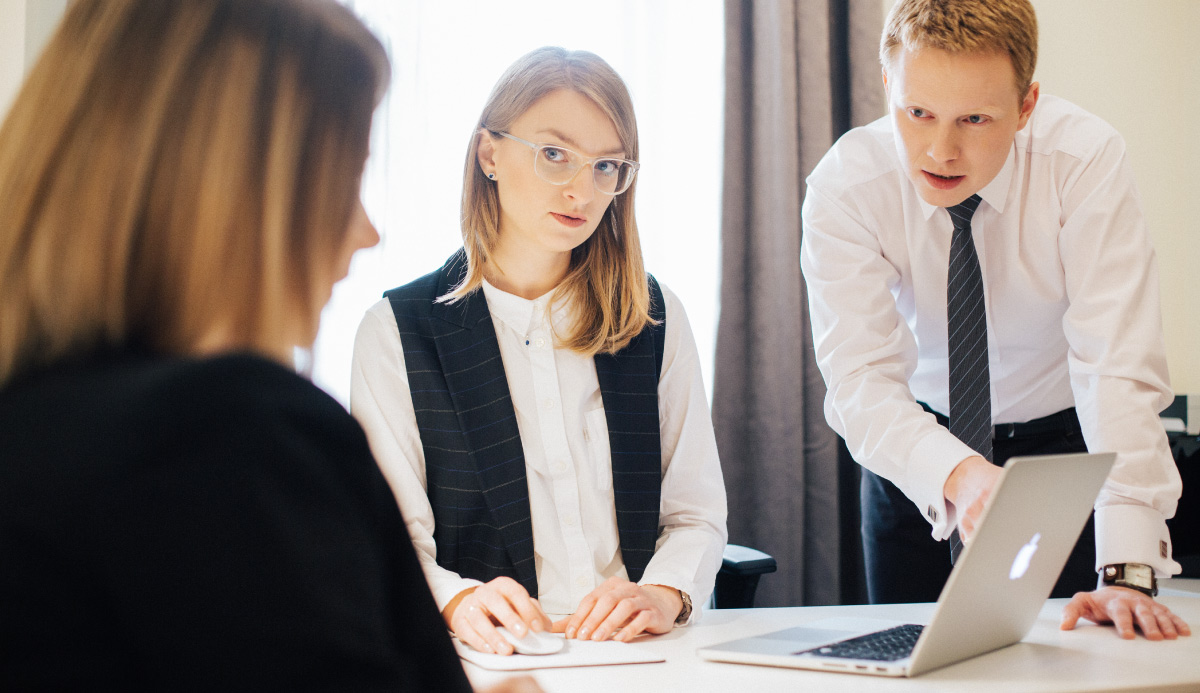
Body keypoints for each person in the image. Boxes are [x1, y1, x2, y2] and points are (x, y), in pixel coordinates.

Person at [0, 2, 540, 690]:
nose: (366, 230)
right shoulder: (234, 440)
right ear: (242, 192)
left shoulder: (28, 425)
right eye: (348, 177)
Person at [801, 0, 1190, 640]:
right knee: (916, 671)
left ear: (1026, 106)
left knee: (1071, 665)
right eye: (916, 111)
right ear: (888, 86)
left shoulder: (1085, 161)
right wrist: (958, 473)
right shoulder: (848, 185)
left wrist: (1129, 568)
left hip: (1063, 453)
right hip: (916, 458)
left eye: (975, 119)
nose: (939, 149)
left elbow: (1115, 365)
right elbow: (860, 381)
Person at [351, 46, 728, 656]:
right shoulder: (398, 331)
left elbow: (695, 515)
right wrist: (458, 599)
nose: (582, 189)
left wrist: (661, 592)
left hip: (643, 657)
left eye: (606, 165)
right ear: (489, 153)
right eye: (555, 154)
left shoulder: (652, 316)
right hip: (495, 661)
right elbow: (391, 544)